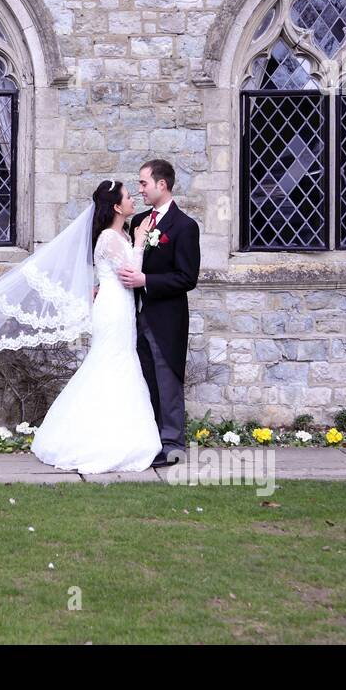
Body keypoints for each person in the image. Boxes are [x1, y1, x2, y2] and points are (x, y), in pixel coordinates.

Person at [29, 180, 163, 474]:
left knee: (119, 362)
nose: (133, 201)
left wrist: (133, 242)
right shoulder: (108, 238)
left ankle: (119, 433)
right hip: (113, 311)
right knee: (110, 363)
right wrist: (140, 242)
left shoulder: (120, 235)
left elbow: (112, 274)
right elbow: (131, 273)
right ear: (117, 207)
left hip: (121, 306)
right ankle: (97, 440)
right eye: (128, 197)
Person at [117, 159, 201, 467]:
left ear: (161, 185)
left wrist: (146, 281)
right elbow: (128, 262)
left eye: (143, 183)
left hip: (167, 320)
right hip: (136, 317)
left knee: (168, 382)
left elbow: (187, 277)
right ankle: (150, 442)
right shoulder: (139, 220)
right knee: (146, 382)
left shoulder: (184, 227)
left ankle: (172, 445)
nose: (139, 189)